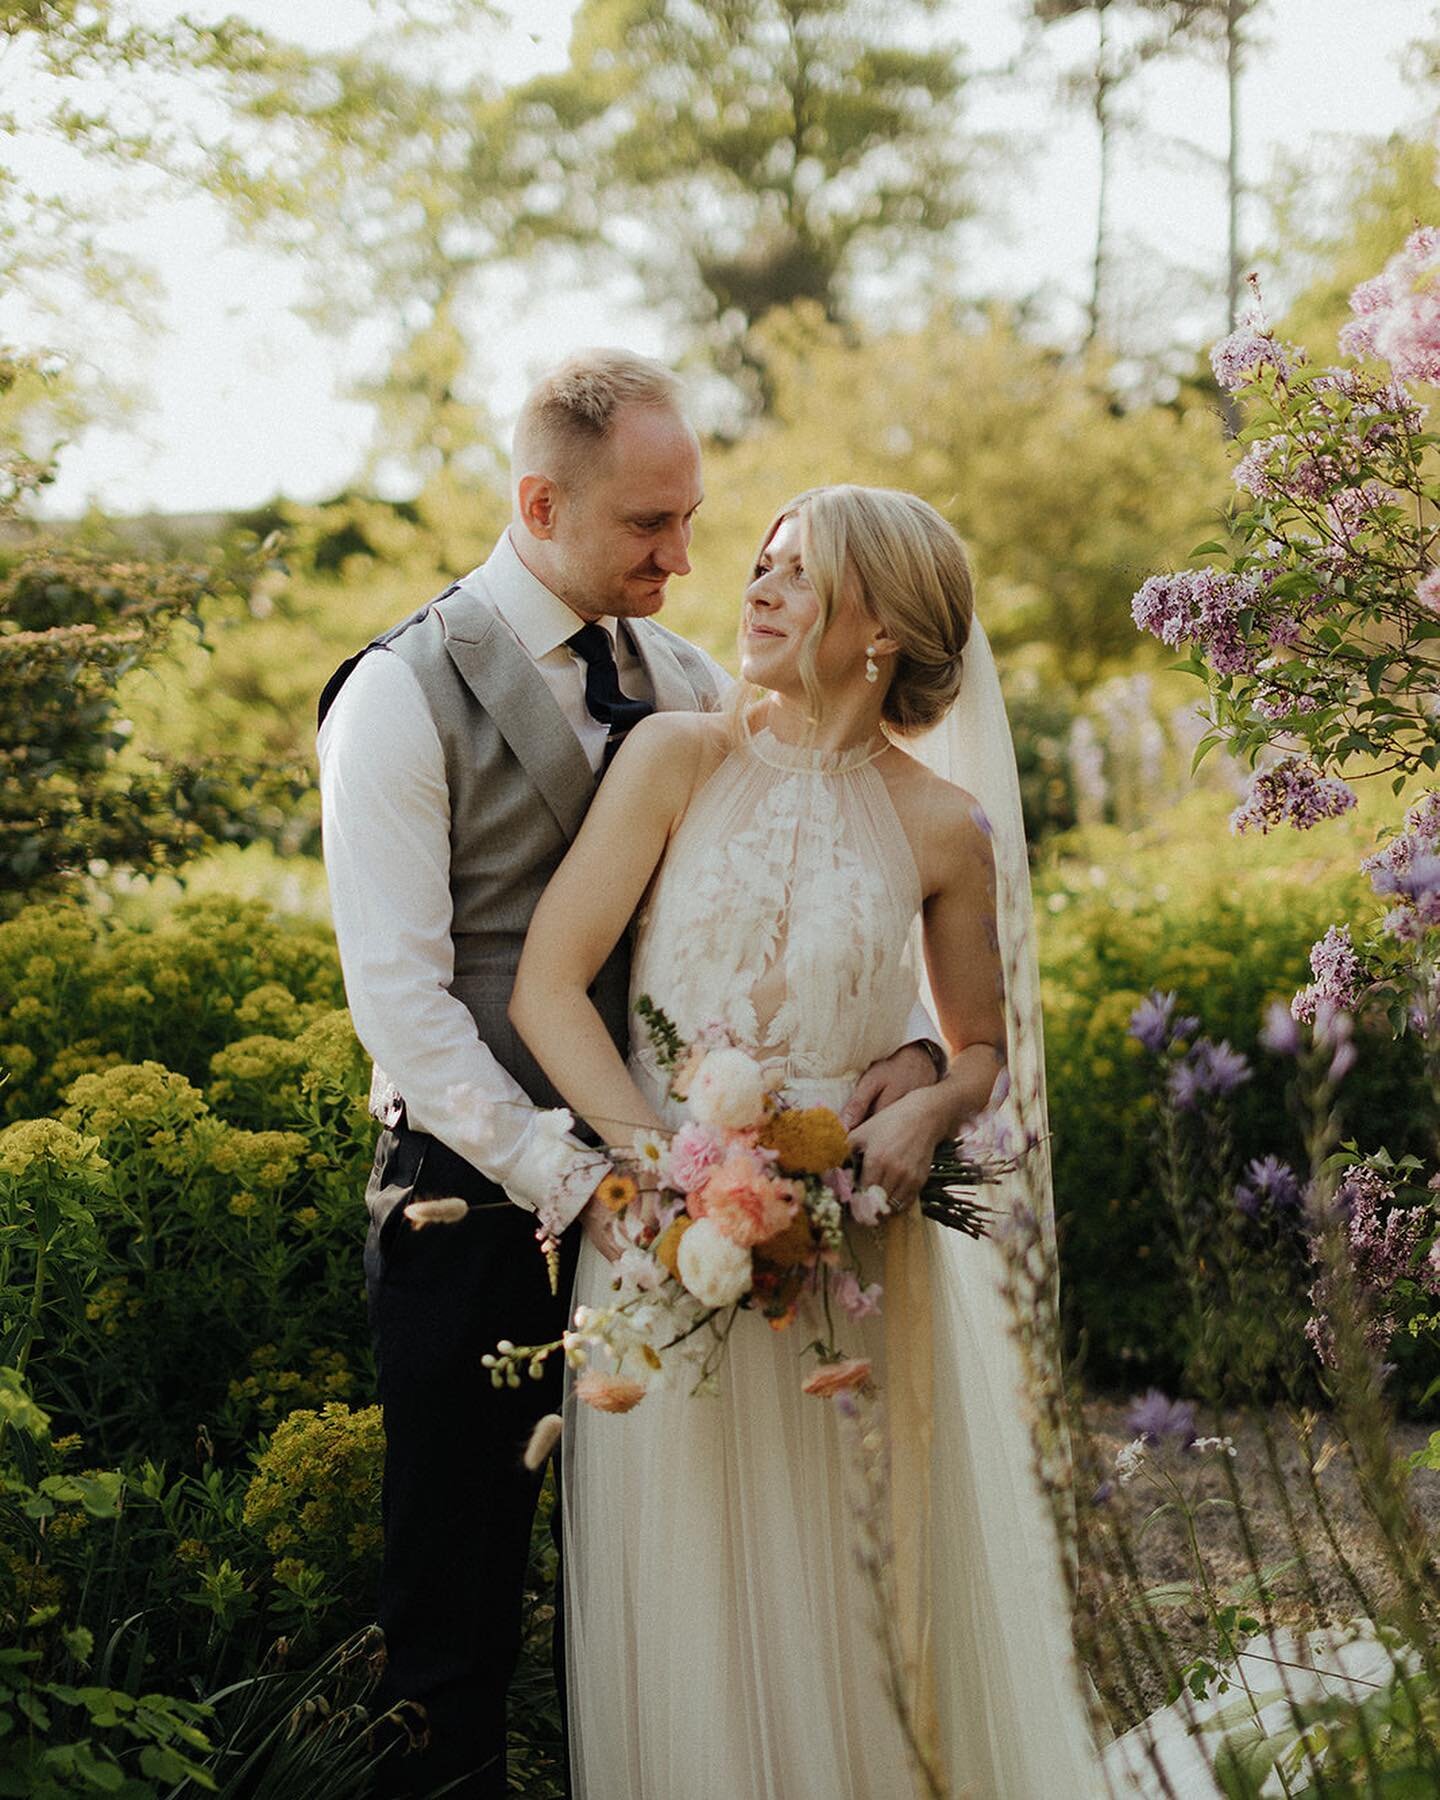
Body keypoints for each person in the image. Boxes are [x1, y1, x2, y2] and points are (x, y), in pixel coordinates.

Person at [316, 355, 945, 1799]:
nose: (684, 557)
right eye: (647, 528)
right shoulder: (397, 698)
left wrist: (908, 1054)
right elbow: (403, 1008)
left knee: (671, 1599)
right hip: (471, 1206)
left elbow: (810, 889)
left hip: (696, 1206)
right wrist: (593, 1175)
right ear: (538, 502)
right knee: (456, 1622)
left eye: (693, 520)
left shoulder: (697, 682)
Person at [510, 484, 1104, 1797]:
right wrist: (658, 1186)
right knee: (697, 1599)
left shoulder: (945, 828)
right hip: (668, 1245)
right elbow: (548, 986)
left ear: (880, 624)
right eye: (763, 564)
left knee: (853, 1594)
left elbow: (984, 1048)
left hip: (855, 1261)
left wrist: (929, 1104)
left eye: (798, 572)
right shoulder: (677, 758)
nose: (757, 588)